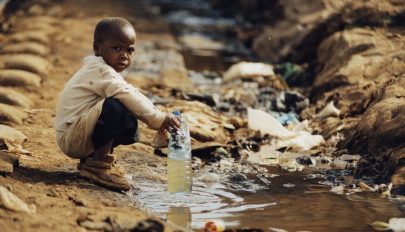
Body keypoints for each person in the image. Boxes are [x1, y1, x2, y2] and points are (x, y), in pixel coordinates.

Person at [54, 17, 180, 191]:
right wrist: (158, 119)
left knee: (125, 108)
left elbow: (131, 93)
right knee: (117, 106)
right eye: (117, 48)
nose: (124, 55)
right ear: (97, 48)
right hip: (71, 138)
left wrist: (157, 113)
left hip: (78, 133)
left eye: (130, 50)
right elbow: (126, 94)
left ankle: (92, 160)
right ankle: (98, 166)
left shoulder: (106, 71)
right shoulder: (99, 70)